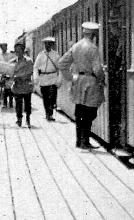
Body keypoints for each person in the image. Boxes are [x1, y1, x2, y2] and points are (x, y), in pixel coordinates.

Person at [58, 21, 105, 149]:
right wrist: (102, 79)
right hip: (91, 82)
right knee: (90, 113)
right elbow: (97, 69)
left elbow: (61, 63)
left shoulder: (76, 46)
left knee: (79, 112)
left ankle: (79, 141)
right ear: (93, 34)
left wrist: (70, 78)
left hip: (78, 81)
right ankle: (85, 141)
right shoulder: (93, 48)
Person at [33, 37, 62, 121]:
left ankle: (51, 113)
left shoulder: (56, 55)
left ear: (52, 45)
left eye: (49, 44)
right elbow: (35, 67)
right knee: (45, 97)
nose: (47, 45)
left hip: (53, 77)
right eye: (45, 44)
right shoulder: (40, 55)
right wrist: (36, 77)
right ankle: (47, 114)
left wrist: (59, 79)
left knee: (52, 96)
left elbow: (60, 68)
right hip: (43, 78)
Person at [9, 42, 34, 127]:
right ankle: (19, 119)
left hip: (26, 84)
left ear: (23, 51)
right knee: (18, 104)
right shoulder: (12, 62)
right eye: (16, 50)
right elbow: (9, 72)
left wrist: (18, 76)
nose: (17, 52)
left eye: (19, 50)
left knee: (27, 103)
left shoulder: (28, 61)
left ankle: (28, 118)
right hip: (17, 85)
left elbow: (30, 72)